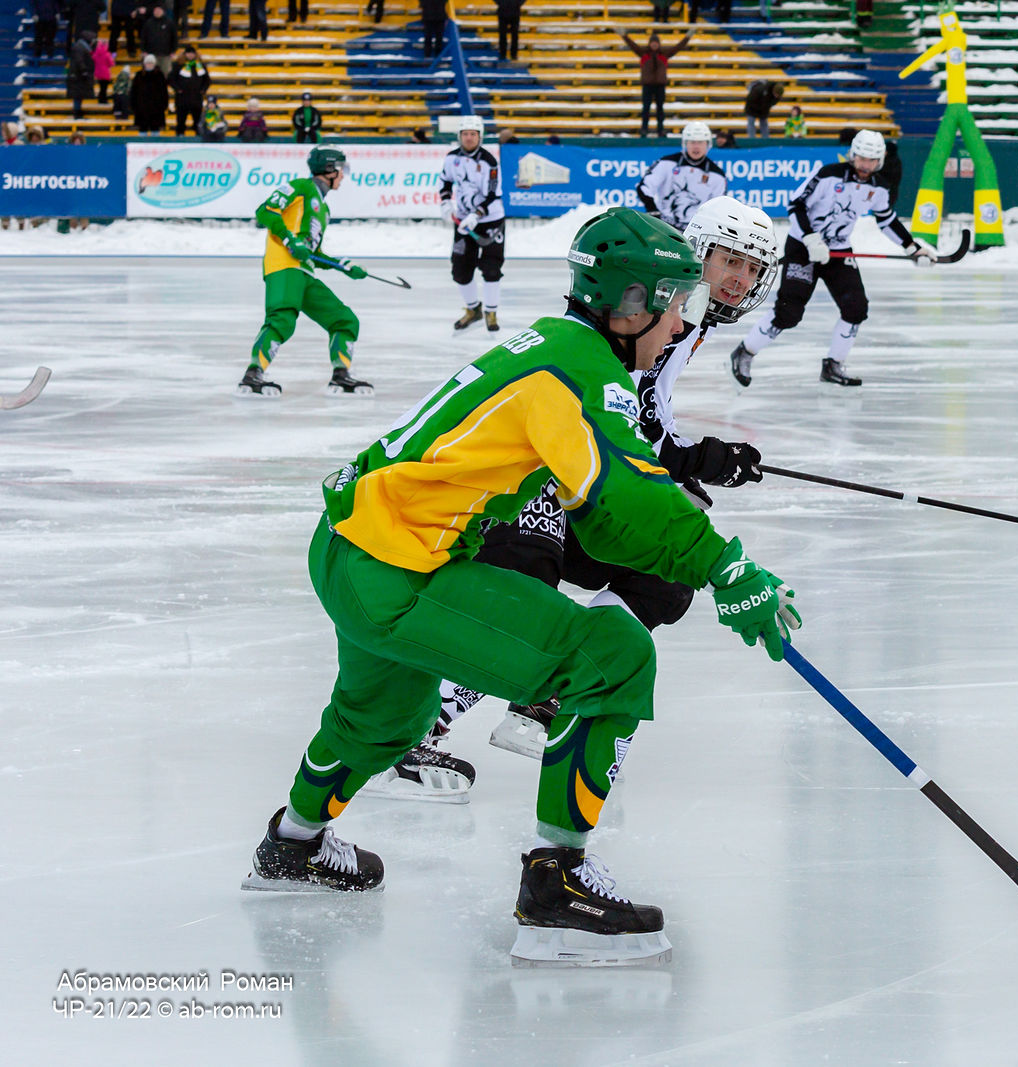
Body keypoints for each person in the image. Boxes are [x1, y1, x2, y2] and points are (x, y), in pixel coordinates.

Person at [237, 206, 799, 974]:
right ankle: (557, 881)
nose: (680, 322)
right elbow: (622, 505)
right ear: (631, 304)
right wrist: (726, 566)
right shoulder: (577, 369)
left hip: (348, 543)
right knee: (616, 653)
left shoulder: (555, 343)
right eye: (673, 304)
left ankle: (291, 845)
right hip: (400, 568)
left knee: (383, 714)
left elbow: (602, 511)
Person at [373, 196, 782, 800]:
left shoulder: (686, 320)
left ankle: (544, 700)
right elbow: (616, 416)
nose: (739, 279)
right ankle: (408, 735)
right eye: (730, 261)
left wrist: (692, 463)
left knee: (662, 580)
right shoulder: (666, 314)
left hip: (569, 473)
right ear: (696, 253)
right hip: (528, 482)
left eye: (752, 269)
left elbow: (642, 418)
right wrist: (696, 462)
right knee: (523, 586)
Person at [730, 129, 932, 388]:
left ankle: (833, 365)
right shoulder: (828, 175)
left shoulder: (879, 187)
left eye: (871, 160)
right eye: (861, 158)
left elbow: (886, 219)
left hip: (838, 251)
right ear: (853, 155)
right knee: (788, 313)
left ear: (879, 161)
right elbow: (796, 204)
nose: (865, 165)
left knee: (856, 308)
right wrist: (811, 238)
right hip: (803, 247)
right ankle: (744, 352)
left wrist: (912, 248)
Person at [236, 146, 373, 398]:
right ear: (329, 169)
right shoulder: (299, 186)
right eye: (341, 170)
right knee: (282, 320)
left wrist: (342, 264)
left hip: (305, 274)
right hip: (284, 267)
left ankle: (341, 376)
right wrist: (289, 240)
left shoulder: (323, 209)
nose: (343, 176)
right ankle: (253, 374)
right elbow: (264, 211)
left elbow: (312, 252)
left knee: (344, 320)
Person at [439, 115, 506, 333]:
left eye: (473, 134)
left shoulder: (489, 161)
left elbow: (493, 194)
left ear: (480, 136)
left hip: (490, 221)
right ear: (459, 136)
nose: (468, 138)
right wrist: (446, 204)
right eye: (465, 134)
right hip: (463, 222)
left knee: (491, 268)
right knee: (460, 269)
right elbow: (446, 181)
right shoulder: (451, 158)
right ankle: (473, 309)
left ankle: (491, 312)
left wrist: (476, 215)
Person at [634, 120, 727, 232]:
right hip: (663, 229)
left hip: (696, 233)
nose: (696, 146)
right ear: (685, 143)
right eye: (692, 142)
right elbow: (644, 187)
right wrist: (653, 210)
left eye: (701, 142)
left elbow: (719, 207)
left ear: (708, 144)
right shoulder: (666, 163)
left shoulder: (717, 175)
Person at [617, 27, 692, 139]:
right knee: (646, 108)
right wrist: (624, 36)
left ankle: (660, 130)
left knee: (660, 109)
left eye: (656, 43)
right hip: (647, 85)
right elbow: (632, 45)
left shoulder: (664, 54)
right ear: (649, 44)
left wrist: (687, 37)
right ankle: (644, 129)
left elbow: (678, 47)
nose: (654, 45)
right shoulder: (643, 54)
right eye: (652, 43)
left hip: (660, 86)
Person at [168, 44, 209, 137]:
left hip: (196, 98)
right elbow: (171, 79)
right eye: (188, 53)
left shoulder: (200, 65)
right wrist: (178, 89)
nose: (190, 55)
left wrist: (203, 90)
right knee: (181, 120)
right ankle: (180, 136)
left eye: (192, 53)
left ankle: (198, 137)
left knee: (197, 121)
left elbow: (207, 80)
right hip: (182, 99)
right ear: (185, 54)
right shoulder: (178, 65)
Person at [130, 52, 167, 134]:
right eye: (147, 63)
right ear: (144, 64)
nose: (149, 65)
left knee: (155, 129)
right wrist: (134, 106)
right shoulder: (139, 75)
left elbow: (164, 92)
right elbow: (133, 92)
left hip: (156, 108)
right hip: (141, 108)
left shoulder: (159, 75)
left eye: (151, 63)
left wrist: (163, 105)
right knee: (142, 130)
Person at [67, 29, 96, 119]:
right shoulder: (80, 47)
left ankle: (78, 111)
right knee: (77, 95)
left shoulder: (80, 46)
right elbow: (79, 61)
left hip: (78, 76)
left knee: (79, 95)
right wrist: (84, 70)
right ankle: (77, 112)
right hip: (78, 77)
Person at [140, 4, 174, 73]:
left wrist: (173, 51)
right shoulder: (148, 23)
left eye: (159, 10)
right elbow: (143, 38)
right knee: (150, 75)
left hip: (165, 55)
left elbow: (174, 38)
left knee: (165, 74)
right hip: (151, 54)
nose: (158, 12)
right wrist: (143, 50)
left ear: (163, 11)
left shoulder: (169, 23)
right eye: (156, 10)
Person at [92, 34, 113, 103]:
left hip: (98, 73)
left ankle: (100, 99)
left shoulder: (96, 53)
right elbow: (111, 64)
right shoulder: (107, 54)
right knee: (104, 88)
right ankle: (104, 100)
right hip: (105, 73)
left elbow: (93, 59)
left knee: (101, 87)